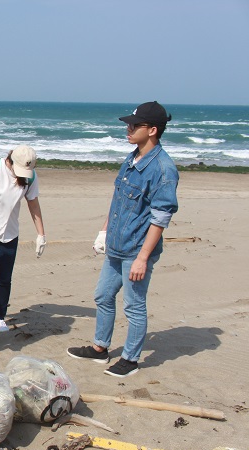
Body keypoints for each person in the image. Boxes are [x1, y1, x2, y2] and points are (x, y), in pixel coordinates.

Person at [67, 101, 179, 377]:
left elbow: (160, 218)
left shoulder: (163, 169)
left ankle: (130, 359)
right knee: (103, 295)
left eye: (134, 125)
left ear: (152, 130)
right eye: (128, 124)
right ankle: (100, 348)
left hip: (136, 251)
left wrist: (142, 258)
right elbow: (118, 200)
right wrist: (104, 232)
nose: (127, 129)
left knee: (134, 305)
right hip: (116, 245)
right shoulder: (131, 159)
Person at [0, 145, 46, 337]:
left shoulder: (30, 177)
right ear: (10, 161)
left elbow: (33, 204)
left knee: (4, 279)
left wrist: (41, 234)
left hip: (10, 234)